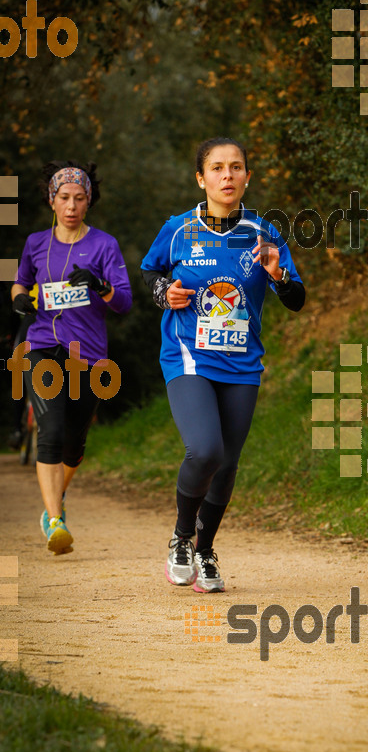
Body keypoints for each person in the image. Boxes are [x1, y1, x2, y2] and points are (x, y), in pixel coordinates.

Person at [141, 137, 305, 593]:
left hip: (242, 363)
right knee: (206, 450)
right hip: (189, 356)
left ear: (247, 176)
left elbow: (295, 300)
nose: (227, 175)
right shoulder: (177, 229)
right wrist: (163, 294)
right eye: (217, 168)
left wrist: (279, 275)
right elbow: (151, 273)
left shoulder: (263, 233)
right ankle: (181, 535)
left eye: (236, 167)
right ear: (202, 178)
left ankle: (206, 549)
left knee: (228, 465)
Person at [12, 161, 132, 555]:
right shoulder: (34, 243)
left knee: (74, 445)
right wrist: (18, 300)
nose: (71, 205)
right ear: (52, 200)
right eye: (64, 197)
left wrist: (99, 285)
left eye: (80, 198)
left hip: (88, 355)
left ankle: (53, 504)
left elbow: (124, 302)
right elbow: (21, 281)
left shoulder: (104, 245)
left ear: (89, 201)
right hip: (43, 345)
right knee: (52, 433)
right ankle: (56, 522)